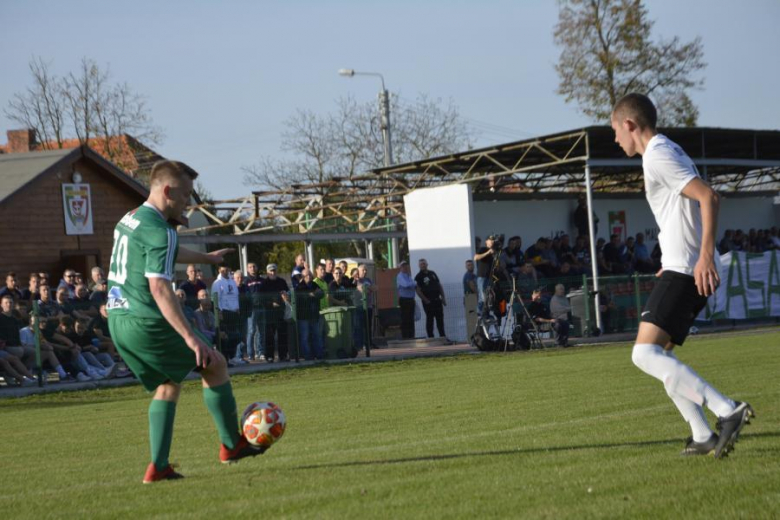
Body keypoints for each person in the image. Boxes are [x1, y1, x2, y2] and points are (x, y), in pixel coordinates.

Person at [611, 93, 753, 458]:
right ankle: (702, 433)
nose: (615, 140)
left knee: (644, 354)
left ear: (630, 125)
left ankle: (726, 409)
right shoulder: (662, 152)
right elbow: (683, 208)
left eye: (616, 131)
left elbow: (709, 196)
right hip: (681, 265)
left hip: (688, 270)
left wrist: (703, 255)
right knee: (661, 355)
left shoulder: (658, 154)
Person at [106, 160, 265, 483]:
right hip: (146, 319)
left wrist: (206, 259)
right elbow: (159, 287)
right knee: (215, 363)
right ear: (167, 191)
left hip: (119, 319)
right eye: (187, 195)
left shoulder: (132, 219)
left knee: (169, 384)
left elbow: (167, 250)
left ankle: (158, 467)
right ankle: (231, 445)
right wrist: (191, 338)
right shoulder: (160, 231)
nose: (189, 204)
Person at [258, 263, 290, 363]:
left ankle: (283, 355)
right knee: (269, 336)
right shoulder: (264, 283)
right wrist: (271, 304)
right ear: (267, 272)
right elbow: (260, 299)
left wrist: (286, 296)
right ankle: (269, 356)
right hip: (269, 314)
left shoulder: (282, 281)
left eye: (274, 270)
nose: (273, 272)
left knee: (282, 335)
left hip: (281, 312)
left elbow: (287, 293)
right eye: (271, 271)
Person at [211, 265, 242, 364]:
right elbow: (216, 298)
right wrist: (219, 311)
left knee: (236, 336)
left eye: (226, 269)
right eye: (222, 269)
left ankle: (232, 357)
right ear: (219, 270)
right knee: (226, 337)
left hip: (234, 312)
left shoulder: (232, 281)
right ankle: (226, 359)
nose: (225, 271)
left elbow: (235, 296)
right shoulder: (217, 283)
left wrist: (237, 308)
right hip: (224, 312)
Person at [294, 269, 324, 360]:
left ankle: (319, 354)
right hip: (303, 316)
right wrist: (310, 295)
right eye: (307, 275)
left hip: (314, 315)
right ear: (302, 276)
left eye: (310, 275)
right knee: (305, 336)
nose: (309, 277)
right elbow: (300, 297)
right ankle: (307, 355)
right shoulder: (299, 287)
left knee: (317, 335)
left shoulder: (314, 284)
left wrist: (313, 294)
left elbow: (321, 293)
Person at [414, 259, 447, 340]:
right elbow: (418, 290)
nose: (423, 265)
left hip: (437, 299)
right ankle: (431, 338)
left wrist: (443, 297)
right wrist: (426, 300)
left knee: (440, 319)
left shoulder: (432, 273)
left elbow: (439, 285)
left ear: (427, 264)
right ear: (419, 266)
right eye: (421, 264)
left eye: (424, 263)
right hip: (428, 302)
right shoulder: (418, 277)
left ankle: (442, 337)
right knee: (430, 319)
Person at [396, 261, 417, 339]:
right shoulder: (400, 276)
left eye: (406, 266)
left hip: (411, 299)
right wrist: (413, 284)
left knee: (411, 318)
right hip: (404, 300)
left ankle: (411, 335)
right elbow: (405, 285)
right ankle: (405, 336)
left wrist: (412, 284)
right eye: (403, 266)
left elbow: (414, 283)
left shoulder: (408, 276)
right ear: (400, 268)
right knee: (405, 318)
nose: (405, 267)